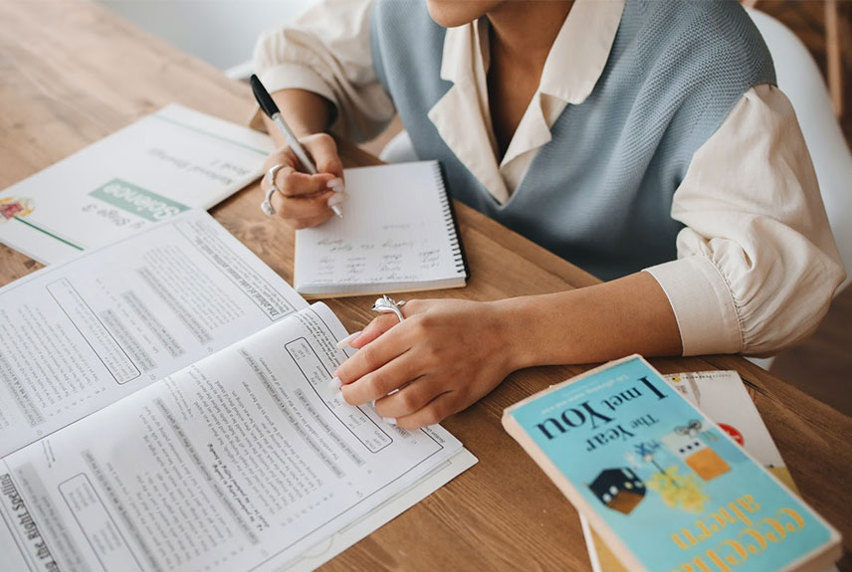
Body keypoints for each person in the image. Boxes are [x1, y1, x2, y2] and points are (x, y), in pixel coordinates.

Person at [253, 0, 845, 429]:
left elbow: (776, 281)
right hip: (464, 314)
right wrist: (300, 139)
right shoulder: (416, 9)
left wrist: (504, 334)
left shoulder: (705, 54)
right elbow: (304, 57)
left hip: (613, 355)